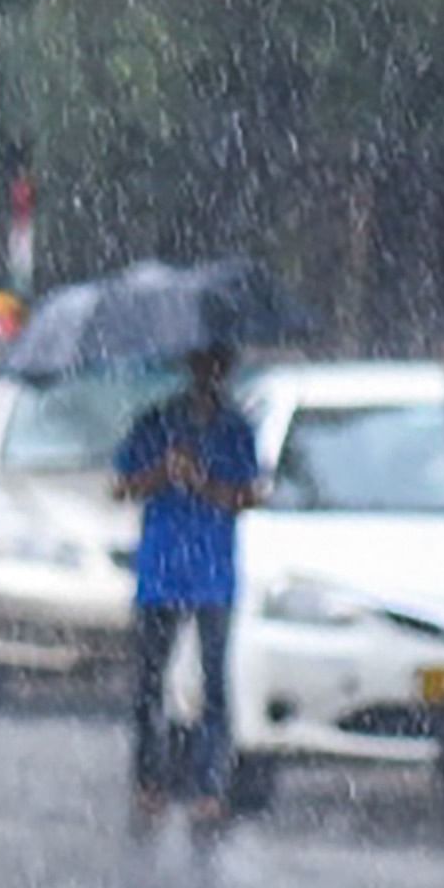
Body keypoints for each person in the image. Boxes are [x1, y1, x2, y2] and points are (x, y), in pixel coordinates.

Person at [112, 342, 262, 827]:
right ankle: (149, 779)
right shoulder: (156, 421)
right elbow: (122, 486)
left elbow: (245, 495)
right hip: (160, 570)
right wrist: (163, 471)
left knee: (213, 684)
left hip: (212, 572)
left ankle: (209, 783)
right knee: (148, 683)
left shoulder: (235, 428)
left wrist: (203, 483)